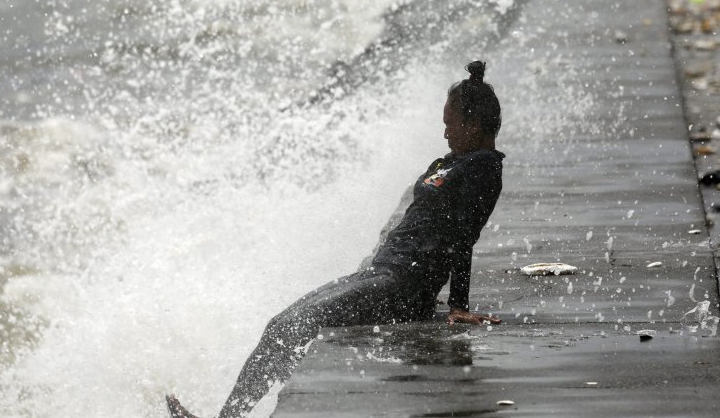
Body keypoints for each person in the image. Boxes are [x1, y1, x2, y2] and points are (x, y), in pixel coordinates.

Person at [167, 61, 505, 418]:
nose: (445, 134)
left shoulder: (482, 170)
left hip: (403, 286)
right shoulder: (456, 160)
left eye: (450, 125)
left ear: (473, 125)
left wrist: (458, 304)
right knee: (280, 324)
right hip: (385, 273)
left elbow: (462, 236)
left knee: (289, 327)